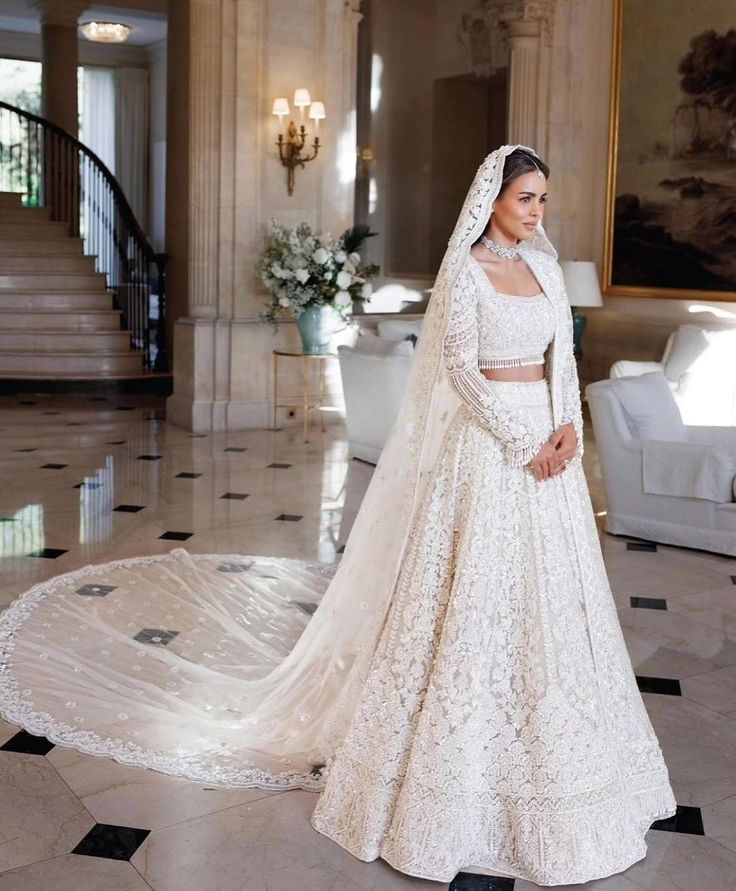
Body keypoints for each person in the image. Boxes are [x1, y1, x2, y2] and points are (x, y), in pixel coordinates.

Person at [0, 145, 676, 886]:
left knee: (552, 606)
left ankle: (567, 766)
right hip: (488, 453)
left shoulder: (546, 268)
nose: (537, 212)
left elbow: (562, 358)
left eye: (543, 198)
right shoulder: (467, 270)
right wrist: (521, 440)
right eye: (526, 198)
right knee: (470, 606)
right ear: (492, 200)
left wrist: (568, 429)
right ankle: (443, 782)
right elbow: (457, 367)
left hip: (550, 450)